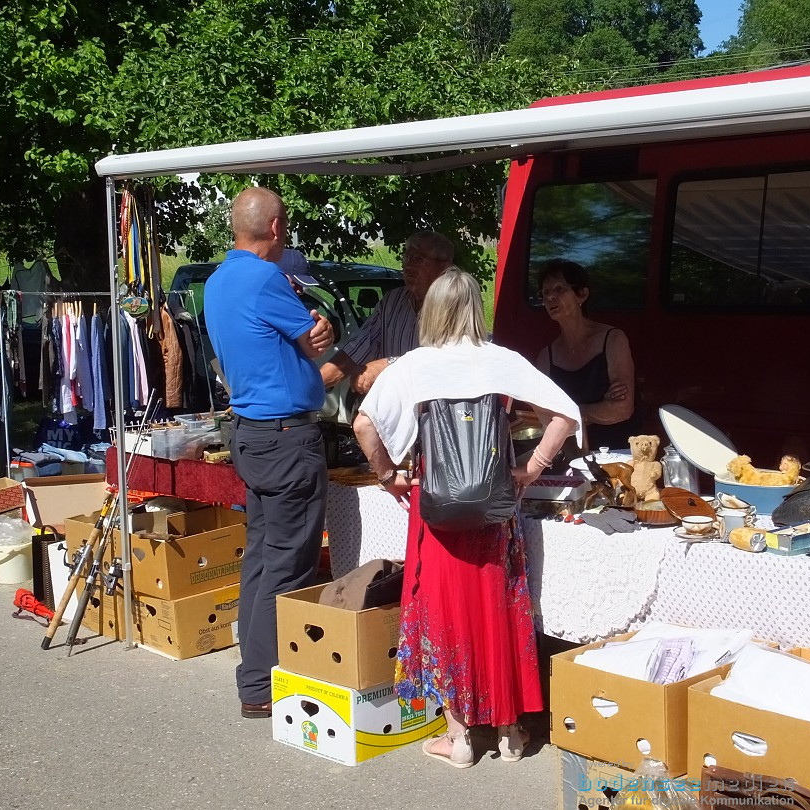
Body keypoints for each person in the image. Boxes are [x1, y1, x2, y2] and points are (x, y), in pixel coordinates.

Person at [352, 268, 580, 768]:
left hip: (438, 510)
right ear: (476, 310)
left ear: (432, 312)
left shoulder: (414, 366)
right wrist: (529, 469)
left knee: (448, 612)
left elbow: (364, 423)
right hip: (495, 510)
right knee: (498, 608)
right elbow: (564, 414)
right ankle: (511, 733)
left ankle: (459, 739)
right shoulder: (502, 361)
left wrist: (389, 475)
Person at [203, 187, 334, 719]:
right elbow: (316, 342)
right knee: (286, 563)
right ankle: (260, 683)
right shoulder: (266, 279)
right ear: (277, 229)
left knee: (261, 557)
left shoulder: (217, 281)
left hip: (252, 434)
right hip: (284, 438)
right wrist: (318, 332)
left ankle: (253, 668)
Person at [319, 231, 454, 394]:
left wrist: (388, 364)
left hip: (436, 410)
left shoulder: (456, 306)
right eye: (407, 258)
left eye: (418, 259)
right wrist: (312, 385)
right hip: (395, 408)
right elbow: (357, 349)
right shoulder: (393, 302)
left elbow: (452, 361)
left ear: (444, 266)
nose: (408, 266)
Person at [535, 258, 639, 452]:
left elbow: (623, 409)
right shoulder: (545, 357)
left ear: (582, 294)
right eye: (545, 292)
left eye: (559, 289)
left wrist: (569, 413)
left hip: (618, 455)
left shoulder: (613, 339)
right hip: (571, 458)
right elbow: (545, 418)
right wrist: (598, 409)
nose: (550, 297)